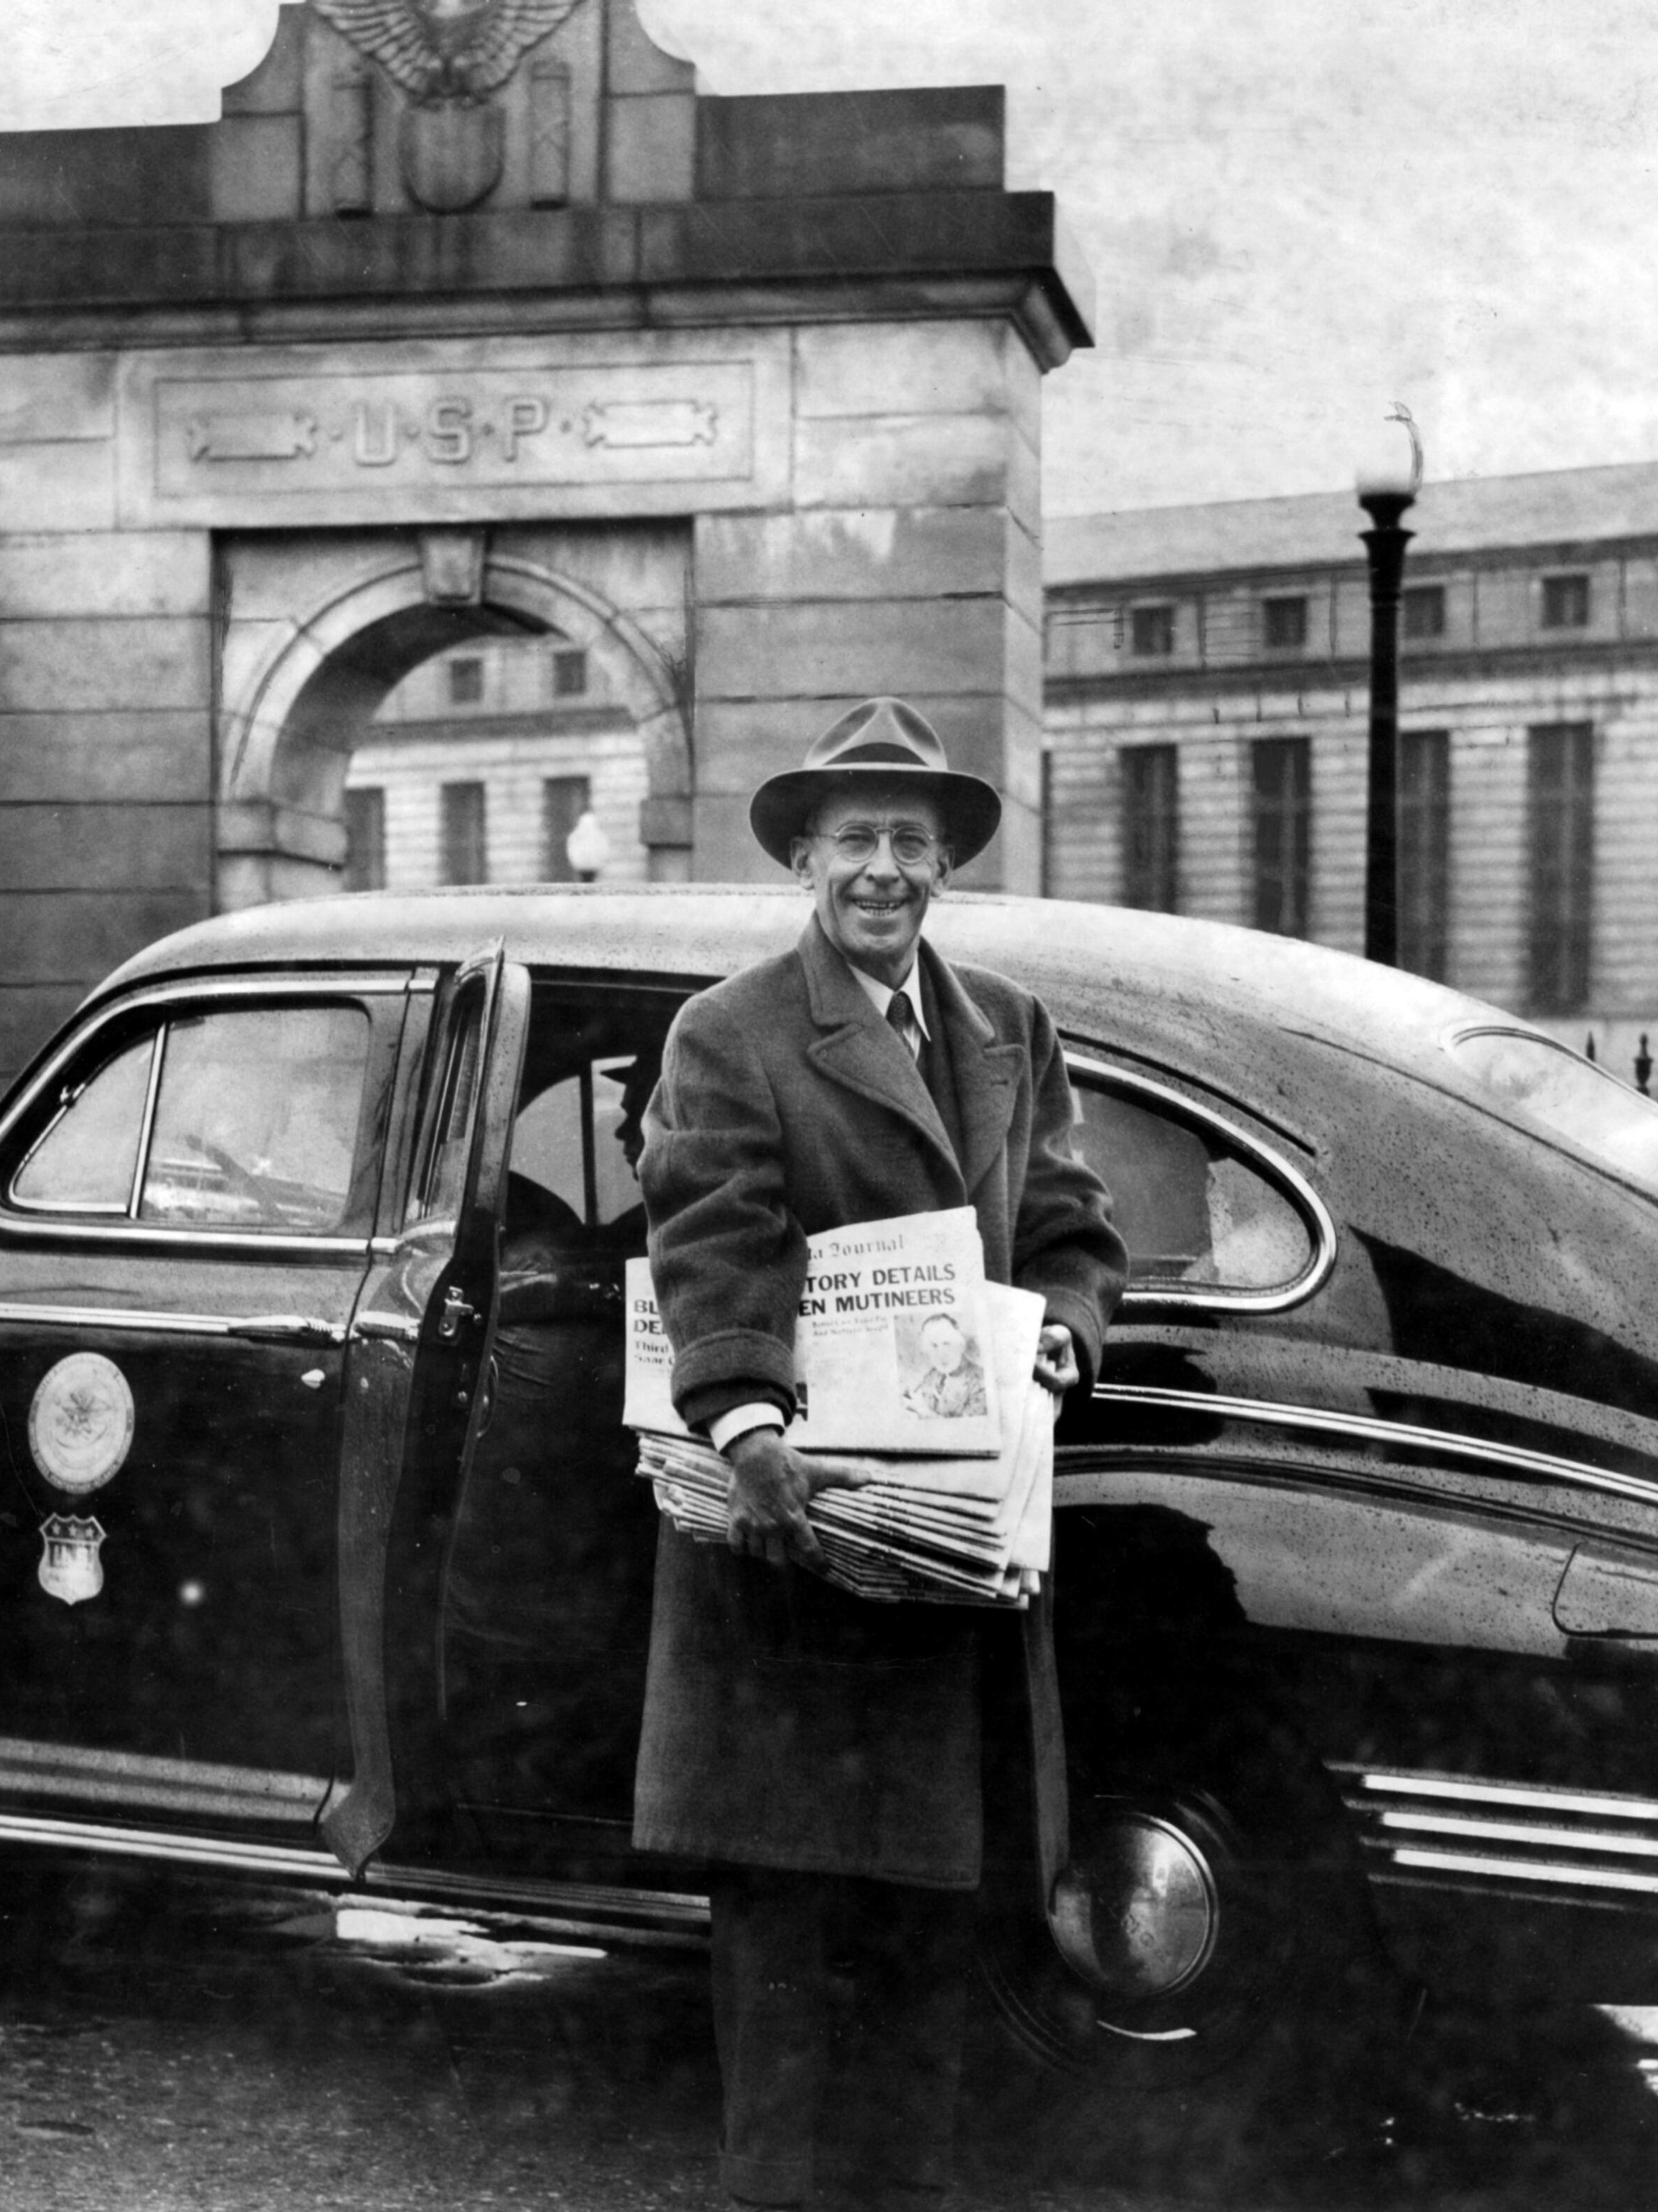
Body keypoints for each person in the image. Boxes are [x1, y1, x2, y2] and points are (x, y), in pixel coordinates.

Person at [634, 697, 1129, 2208]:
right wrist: (747, 1419)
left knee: (924, 2008)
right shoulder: (729, 1032)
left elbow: (1070, 1230)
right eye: (855, 838)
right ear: (802, 857)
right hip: (794, 1564)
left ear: (942, 867)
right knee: (788, 2014)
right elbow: (710, 1237)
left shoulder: (1007, 1030)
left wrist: (1064, 1329)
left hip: (947, 1577)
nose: (884, 869)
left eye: (913, 841)